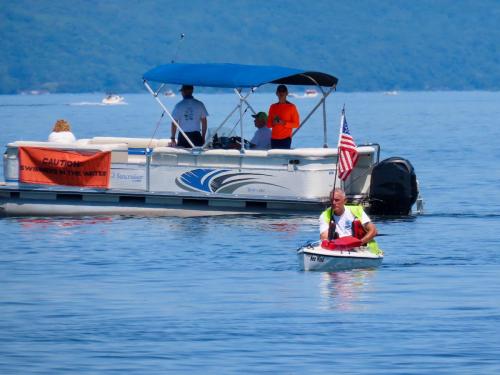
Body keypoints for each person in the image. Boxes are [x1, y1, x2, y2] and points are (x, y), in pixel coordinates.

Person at [319, 188, 382, 254]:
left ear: (345, 201)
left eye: (337, 200)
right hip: (337, 248)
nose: (334, 203)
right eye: (331, 200)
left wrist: (358, 243)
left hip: (361, 249)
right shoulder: (325, 215)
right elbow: (324, 236)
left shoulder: (356, 210)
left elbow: (373, 231)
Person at [267, 84, 299, 149]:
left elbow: (296, 124)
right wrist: (273, 123)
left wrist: (284, 123)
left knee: (284, 159)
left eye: (283, 91)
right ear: (276, 93)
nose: (281, 93)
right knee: (275, 159)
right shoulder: (273, 107)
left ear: (287, 93)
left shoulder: (292, 107)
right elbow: (268, 124)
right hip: (274, 139)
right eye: (279, 91)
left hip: (285, 140)